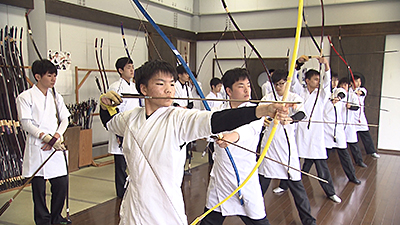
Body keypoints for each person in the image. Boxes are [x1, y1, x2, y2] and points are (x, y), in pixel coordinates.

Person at [99, 59, 292, 225]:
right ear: (143, 88)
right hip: (134, 206)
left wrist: (261, 111)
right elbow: (110, 123)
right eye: (160, 84)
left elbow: (215, 121)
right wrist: (104, 104)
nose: (169, 89)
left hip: (164, 209)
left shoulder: (178, 118)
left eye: (172, 83)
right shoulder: (130, 118)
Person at [201, 68, 269, 225]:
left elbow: (248, 129)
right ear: (228, 91)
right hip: (221, 178)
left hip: (245, 178)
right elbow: (205, 129)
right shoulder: (218, 112)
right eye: (241, 86)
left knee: (258, 220)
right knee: (210, 220)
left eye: (248, 85)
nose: (247, 90)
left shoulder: (256, 112)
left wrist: (231, 137)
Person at [16, 59, 71, 225]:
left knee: (61, 184)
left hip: (54, 146)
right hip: (37, 146)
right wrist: (45, 137)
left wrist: (55, 137)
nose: (53, 79)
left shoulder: (56, 96)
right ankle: (42, 220)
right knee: (39, 189)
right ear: (38, 77)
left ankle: (56, 217)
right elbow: (26, 123)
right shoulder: (25, 97)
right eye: (49, 75)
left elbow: (65, 120)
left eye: (55, 75)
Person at [258, 69, 316, 225]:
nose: (278, 87)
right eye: (275, 84)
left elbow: (302, 113)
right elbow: (258, 115)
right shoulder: (268, 99)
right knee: (261, 184)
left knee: (297, 186)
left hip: (287, 149)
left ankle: (309, 221)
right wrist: (263, 120)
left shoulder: (294, 98)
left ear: (287, 83)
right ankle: (251, 215)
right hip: (269, 147)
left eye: (282, 84)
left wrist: (290, 119)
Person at [291, 55, 341, 203]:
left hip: (315, 134)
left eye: (319, 79)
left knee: (321, 165)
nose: (318, 82)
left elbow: (327, 83)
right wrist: (297, 64)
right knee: (292, 160)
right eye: (315, 79)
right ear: (307, 81)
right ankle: (284, 185)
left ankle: (330, 192)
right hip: (300, 131)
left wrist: (326, 64)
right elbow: (293, 81)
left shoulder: (322, 94)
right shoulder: (300, 92)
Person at [107, 57, 141, 198]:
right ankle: (121, 192)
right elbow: (113, 111)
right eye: (128, 67)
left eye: (132, 66)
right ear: (120, 70)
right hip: (121, 129)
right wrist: (118, 134)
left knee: (133, 161)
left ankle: (131, 187)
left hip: (134, 128)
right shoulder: (115, 87)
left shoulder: (134, 86)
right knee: (121, 164)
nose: (132, 70)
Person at [324, 78, 361, 184]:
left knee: (344, 154)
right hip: (326, 130)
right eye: (333, 81)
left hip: (338, 130)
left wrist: (338, 98)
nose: (334, 83)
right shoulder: (323, 93)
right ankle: (305, 173)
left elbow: (342, 93)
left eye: (336, 81)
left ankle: (352, 176)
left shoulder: (339, 92)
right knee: (320, 157)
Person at [353, 74, 380, 159]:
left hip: (360, 117)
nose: (357, 83)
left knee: (365, 134)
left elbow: (360, 93)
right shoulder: (348, 90)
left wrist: (354, 91)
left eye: (359, 81)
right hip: (350, 118)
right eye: (355, 81)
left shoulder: (362, 90)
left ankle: (371, 151)